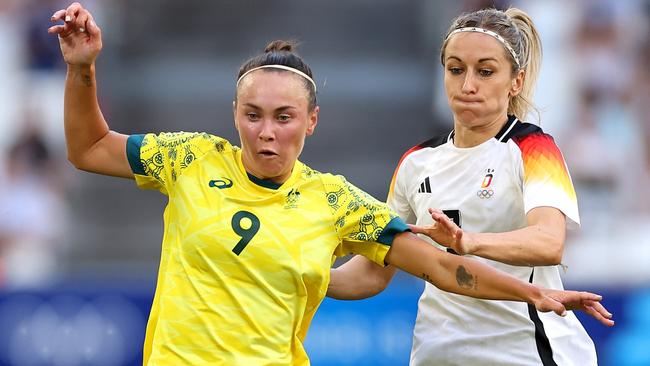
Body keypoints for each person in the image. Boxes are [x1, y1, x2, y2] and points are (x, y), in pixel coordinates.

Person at [49, 3, 612, 365]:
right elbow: (89, 148)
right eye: (252, 114)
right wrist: (82, 70)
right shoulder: (191, 157)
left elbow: (444, 263)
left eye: (284, 117)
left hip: (521, 349)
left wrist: (532, 290)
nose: (265, 132)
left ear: (312, 120)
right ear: (234, 112)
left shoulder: (335, 200)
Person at [327, 7, 613, 366]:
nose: (468, 85)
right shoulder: (415, 161)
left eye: (485, 71)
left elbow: (549, 242)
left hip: (524, 353)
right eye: (456, 69)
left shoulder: (532, 148)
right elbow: (374, 271)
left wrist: (468, 242)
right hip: (438, 355)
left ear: (516, 81)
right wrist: (304, 272)